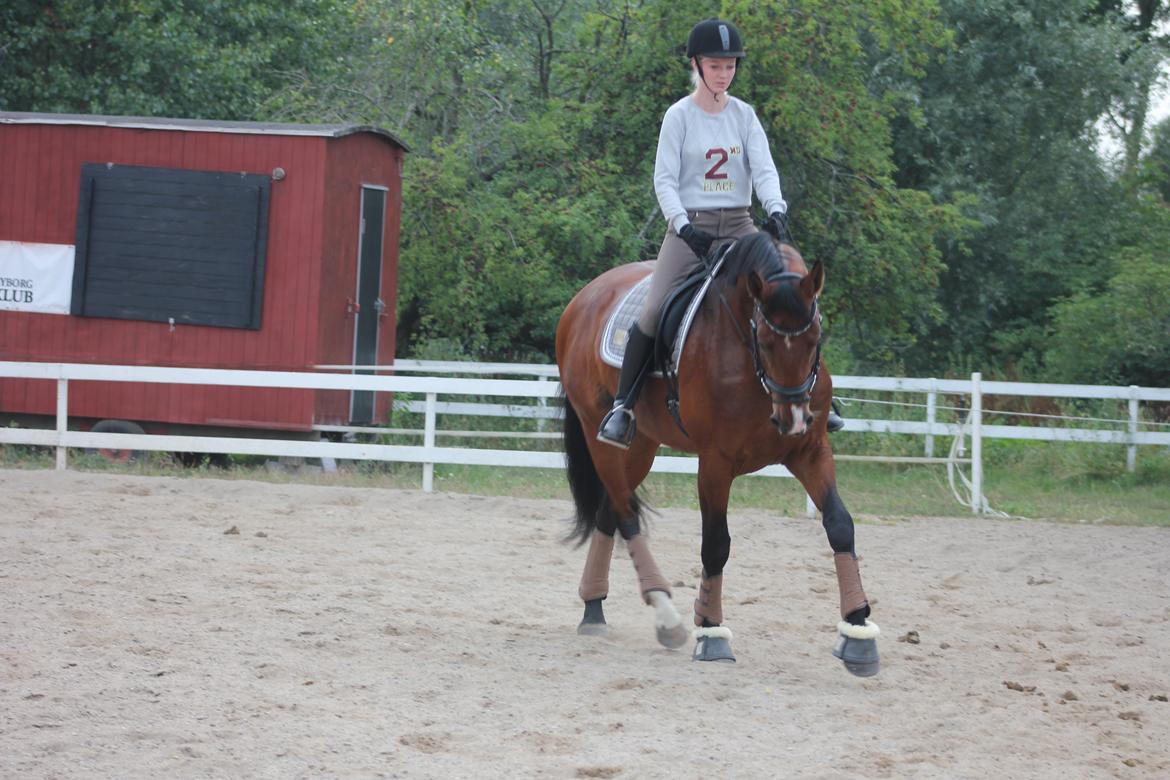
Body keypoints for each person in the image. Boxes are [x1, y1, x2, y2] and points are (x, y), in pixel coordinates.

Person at [597, 18, 844, 448]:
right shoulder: (679, 116)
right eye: (715, 65)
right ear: (697, 65)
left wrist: (777, 210)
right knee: (654, 309)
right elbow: (664, 181)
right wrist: (684, 227)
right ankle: (623, 405)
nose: (724, 72)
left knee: (793, 293)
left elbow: (763, 170)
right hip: (689, 229)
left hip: (740, 225)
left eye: (730, 65)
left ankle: (819, 394)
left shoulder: (744, 115)